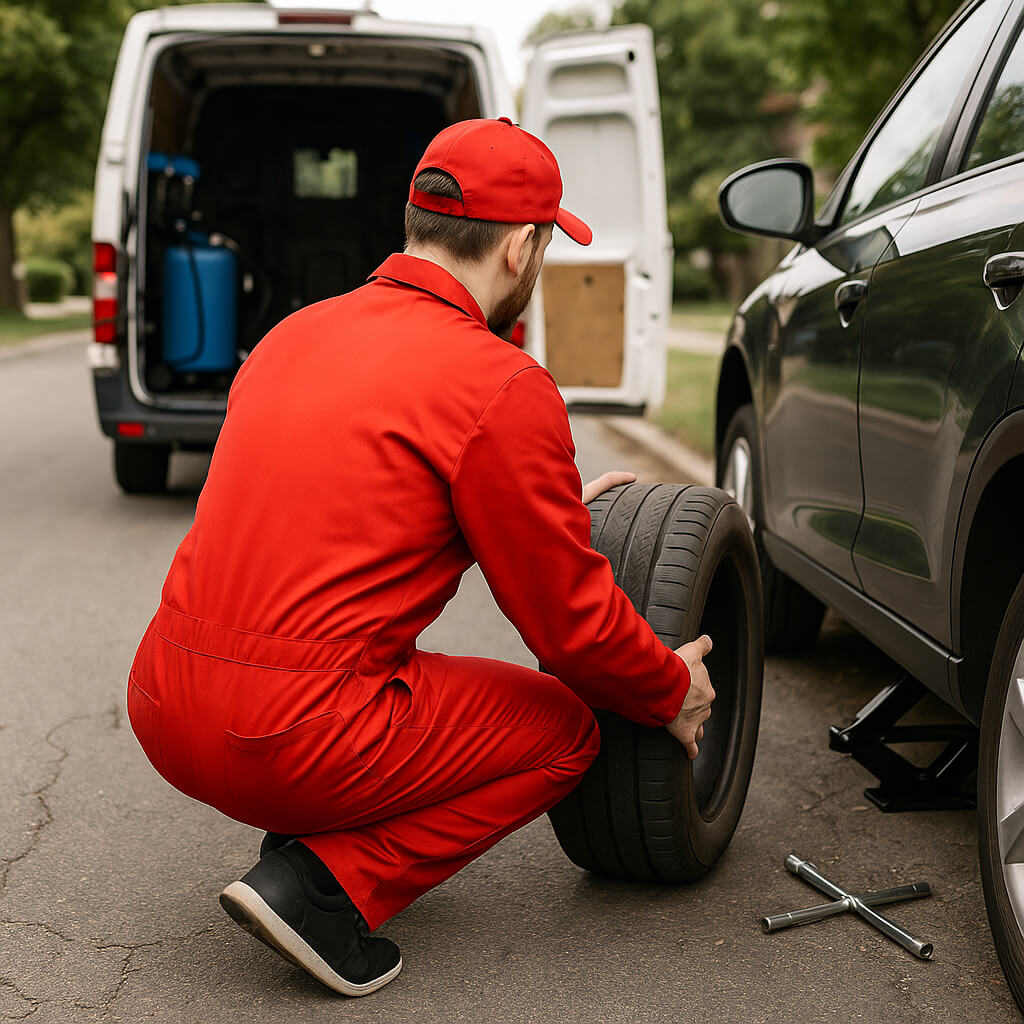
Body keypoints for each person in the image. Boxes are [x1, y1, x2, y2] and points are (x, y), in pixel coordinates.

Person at [126, 117, 715, 998]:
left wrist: (546, 511)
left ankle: (305, 827)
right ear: (521, 247)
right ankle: (325, 890)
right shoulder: (500, 383)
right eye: (547, 245)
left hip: (166, 704)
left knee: (352, 671)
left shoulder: (293, 334)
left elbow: (350, 513)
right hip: (292, 737)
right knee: (566, 729)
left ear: (419, 223)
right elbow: (573, 632)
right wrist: (673, 688)